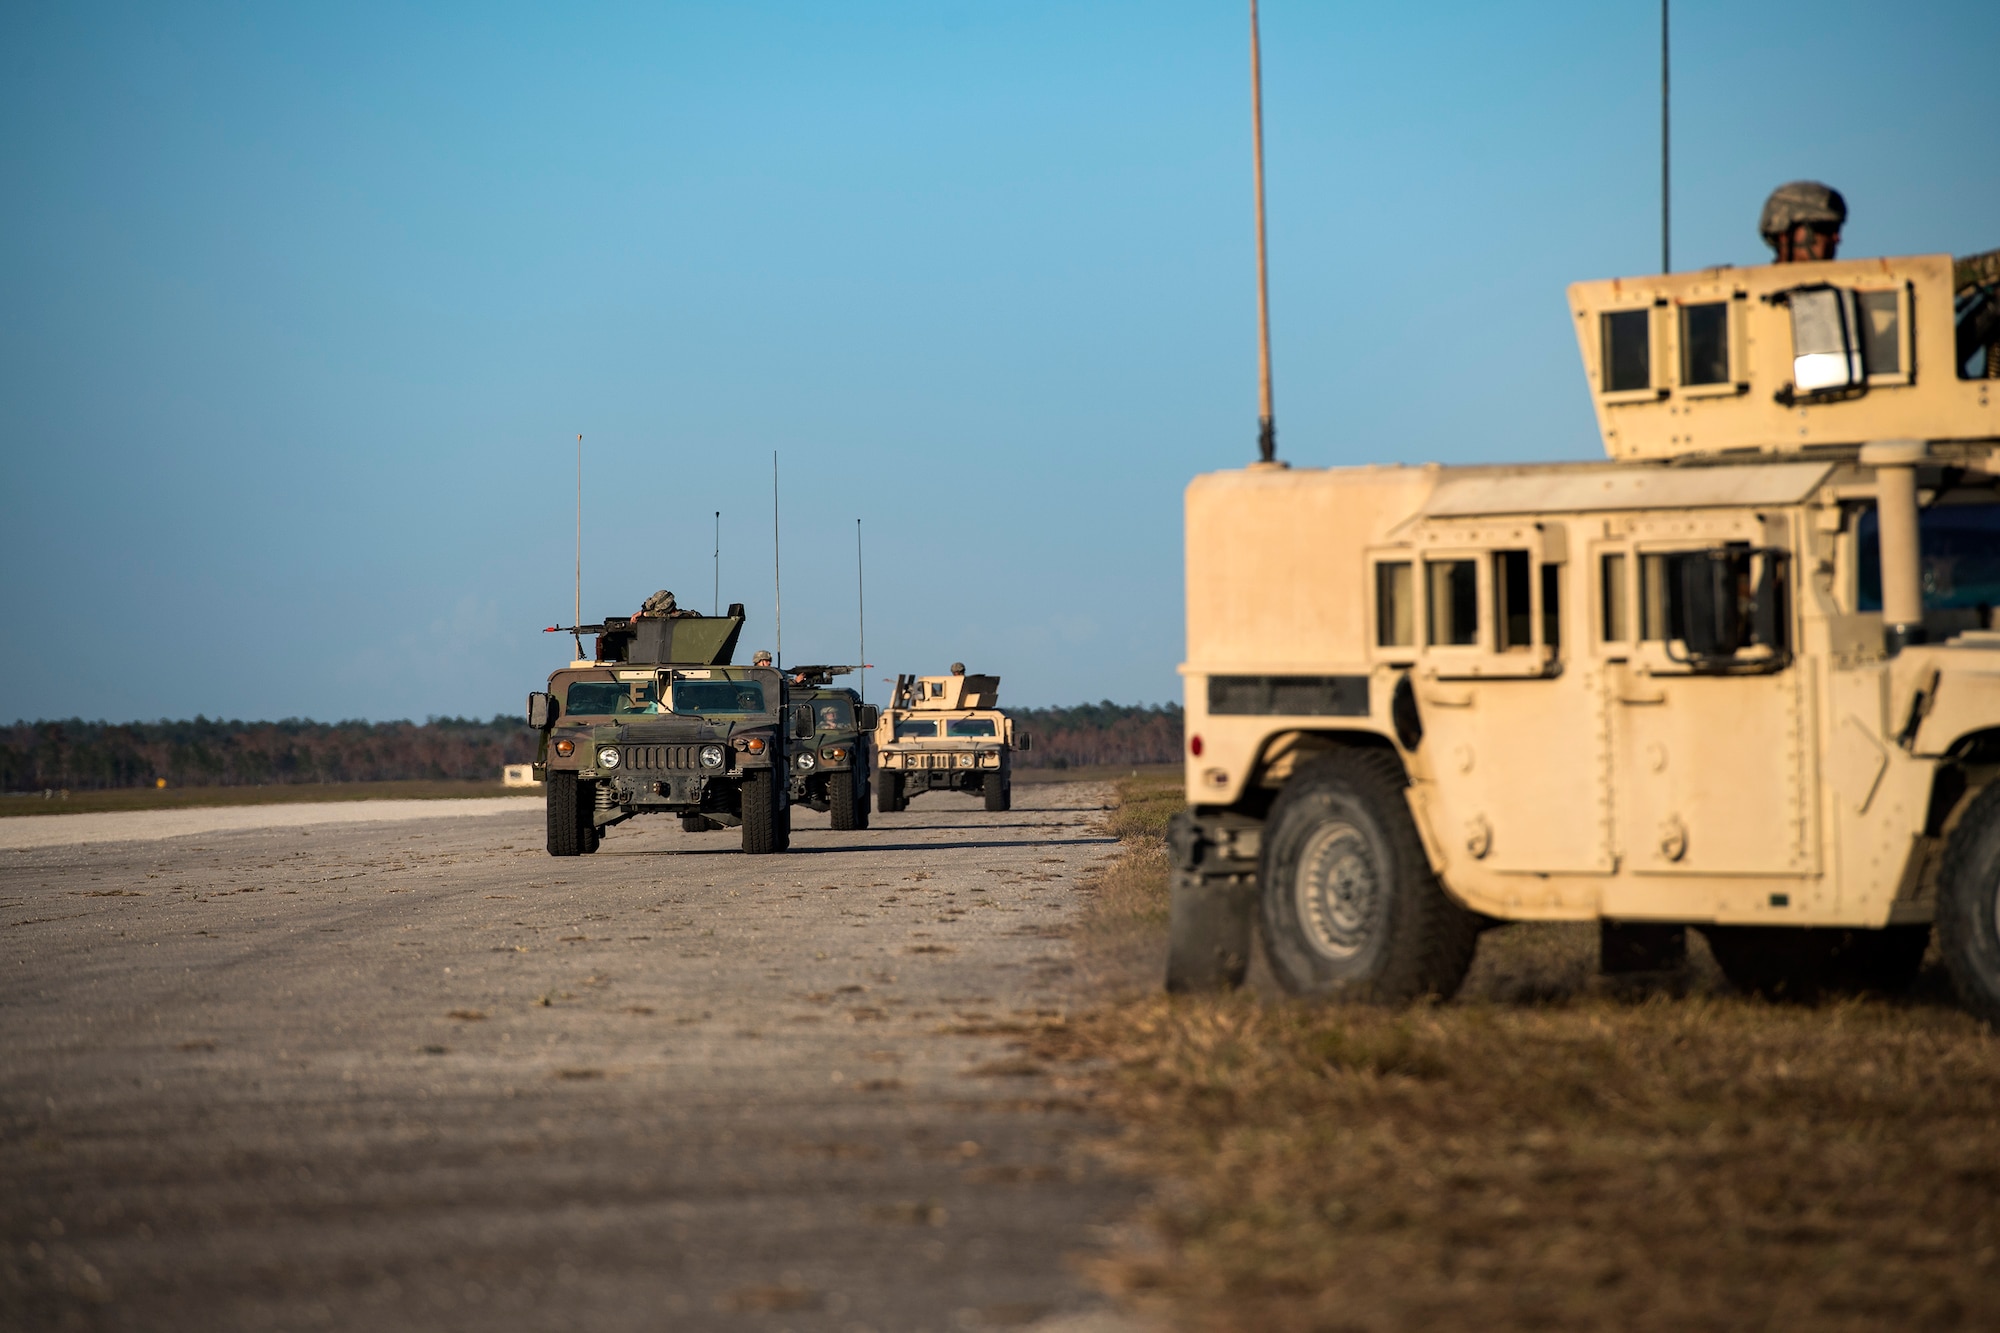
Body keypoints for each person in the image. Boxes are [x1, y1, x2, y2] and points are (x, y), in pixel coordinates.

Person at [1759, 181, 1845, 263]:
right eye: (1825, 228)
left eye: (1837, 229)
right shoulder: (1751, 277)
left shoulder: (1853, 277)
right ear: (1784, 234)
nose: (1836, 238)